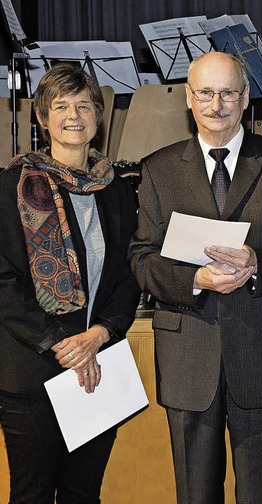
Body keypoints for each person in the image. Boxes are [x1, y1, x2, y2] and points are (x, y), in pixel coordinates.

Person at [128, 51, 262, 504]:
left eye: (228, 92)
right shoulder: (158, 168)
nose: (217, 104)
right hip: (189, 357)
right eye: (206, 93)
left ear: (246, 97)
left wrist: (256, 263)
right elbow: (142, 258)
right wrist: (196, 280)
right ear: (189, 99)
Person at [0, 62, 140, 502]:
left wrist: (99, 335)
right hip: (32, 369)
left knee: (84, 494)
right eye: (60, 106)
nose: (73, 115)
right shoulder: (12, 187)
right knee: (32, 494)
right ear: (42, 118)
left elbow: (130, 273)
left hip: (97, 366)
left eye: (84, 105)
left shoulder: (117, 189)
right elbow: (3, 282)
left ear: (99, 118)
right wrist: (64, 346)